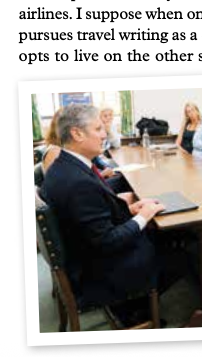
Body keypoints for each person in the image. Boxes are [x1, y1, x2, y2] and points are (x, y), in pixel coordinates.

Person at [38, 103, 165, 311]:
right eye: (98, 129)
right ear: (77, 133)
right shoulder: (78, 182)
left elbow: (92, 217)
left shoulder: (66, 165)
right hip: (97, 272)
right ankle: (136, 310)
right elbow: (107, 241)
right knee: (172, 241)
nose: (104, 134)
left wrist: (130, 211)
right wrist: (143, 216)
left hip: (83, 254)